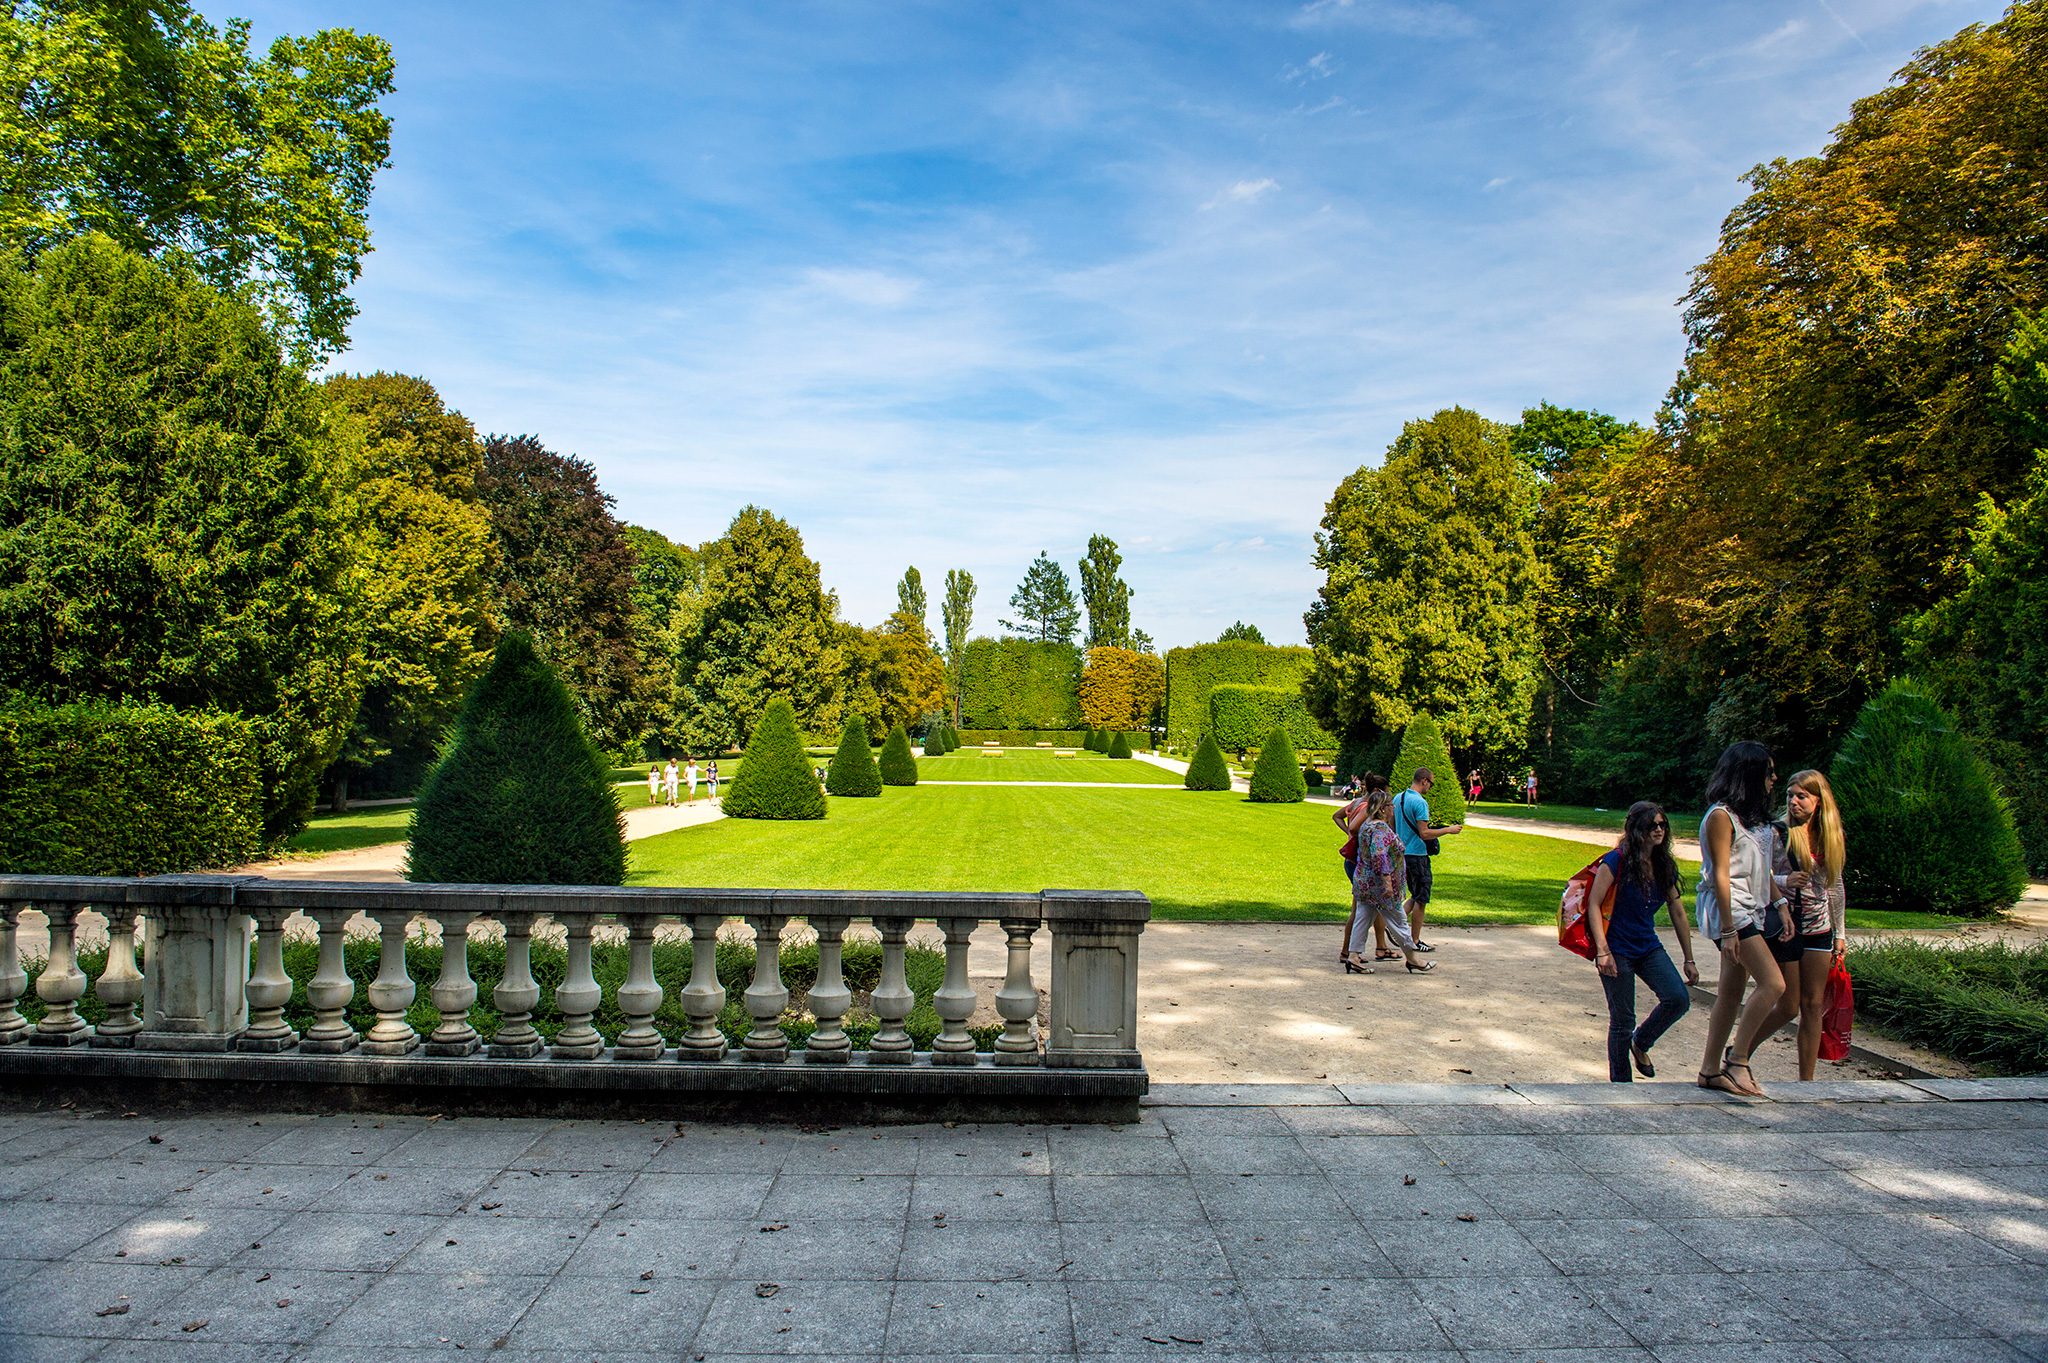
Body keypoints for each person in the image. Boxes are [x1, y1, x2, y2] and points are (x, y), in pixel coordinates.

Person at [1694, 740, 1786, 1098]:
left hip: (1752, 907)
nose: (1774, 778)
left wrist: (1779, 905)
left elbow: (1760, 871)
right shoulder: (1721, 816)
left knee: (1731, 993)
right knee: (1774, 984)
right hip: (1730, 909)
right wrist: (1729, 929)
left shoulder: (1756, 819)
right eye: (1768, 772)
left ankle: (1709, 1070)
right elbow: (1720, 875)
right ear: (1749, 774)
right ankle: (1739, 1059)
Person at [1584, 801, 1700, 1081]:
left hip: (1647, 946)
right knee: (1623, 1021)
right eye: (1652, 826)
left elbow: (1677, 911)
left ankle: (1642, 1042)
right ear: (1636, 829)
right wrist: (1603, 951)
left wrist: (1689, 958)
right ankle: (1621, 1085)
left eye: (1662, 825)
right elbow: (1594, 904)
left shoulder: (1663, 864)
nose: (1659, 830)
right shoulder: (1616, 860)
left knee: (1677, 999)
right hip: (1617, 949)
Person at [1756, 770, 1848, 1080]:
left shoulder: (1829, 836)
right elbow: (1759, 875)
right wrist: (1785, 880)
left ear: (1818, 802)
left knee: (1813, 1004)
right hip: (1786, 924)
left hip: (1819, 928)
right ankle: (1741, 1051)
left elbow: (1835, 886)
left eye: (1801, 796)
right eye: (1789, 795)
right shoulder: (1776, 832)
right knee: (1789, 1005)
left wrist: (1840, 933)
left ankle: (1806, 1082)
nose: (1793, 801)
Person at [1344, 789, 1435, 974]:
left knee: (1362, 919)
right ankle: (1413, 958)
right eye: (1390, 805)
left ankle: (1353, 957)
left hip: (1364, 882)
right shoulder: (1379, 829)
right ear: (1383, 808)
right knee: (1399, 921)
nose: (1393, 808)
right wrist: (1387, 882)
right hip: (1379, 886)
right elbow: (1379, 856)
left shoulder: (1367, 825)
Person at [1394, 767, 1463, 952]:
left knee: (1415, 894)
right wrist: (1448, 830)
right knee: (1421, 898)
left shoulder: (1398, 798)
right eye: (1431, 783)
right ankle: (1414, 940)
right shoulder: (1420, 802)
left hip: (1403, 854)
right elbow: (1424, 833)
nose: (1430, 787)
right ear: (1424, 780)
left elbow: (1393, 826)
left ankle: (1393, 924)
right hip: (1417, 855)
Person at [1334, 772, 1393, 963]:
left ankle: (1380, 947)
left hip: (1355, 860)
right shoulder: (1369, 807)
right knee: (1360, 909)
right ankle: (1347, 952)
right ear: (1377, 792)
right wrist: (1358, 837)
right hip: (1360, 862)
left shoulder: (1356, 802)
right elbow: (1353, 828)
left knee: (1369, 907)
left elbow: (1337, 816)